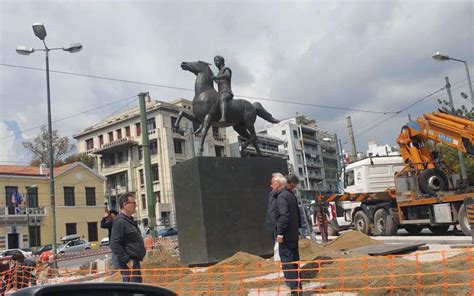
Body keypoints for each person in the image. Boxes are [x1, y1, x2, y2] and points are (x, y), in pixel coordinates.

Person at [272, 173, 303, 295]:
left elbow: (284, 216)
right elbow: (298, 215)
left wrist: (280, 233)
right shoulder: (291, 196)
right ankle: (298, 289)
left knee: (288, 264)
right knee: (295, 263)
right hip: (293, 235)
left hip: (286, 236)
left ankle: (295, 291)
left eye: (273, 182)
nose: (271, 185)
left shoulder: (282, 196)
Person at [110, 193, 146, 283]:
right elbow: (114, 244)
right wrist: (127, 260)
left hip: (134, 262)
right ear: (125, 204)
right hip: (129, 265)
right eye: (133, 203)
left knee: (136, 289)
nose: (135, 205)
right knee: (132, 290)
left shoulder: (129, 221)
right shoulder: (120, 222)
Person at [212, 55, 233, 123]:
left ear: (222, 61)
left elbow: (227, 75)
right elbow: (217, 82)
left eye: (217, 60)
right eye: (215, 61)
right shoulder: (218, 73)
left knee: (222, 99)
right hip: (220, 93)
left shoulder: (226, 69)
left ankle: (223, 117)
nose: (216, 62)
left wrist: (217, 77)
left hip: (227, 92)